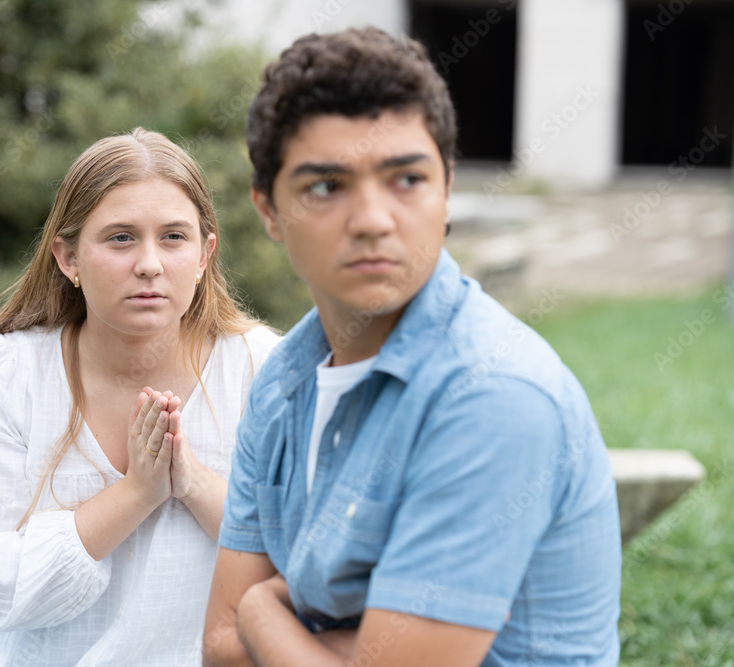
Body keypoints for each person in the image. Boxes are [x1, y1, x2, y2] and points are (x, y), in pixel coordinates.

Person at [203, 27, 621, 666]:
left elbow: (243, 624)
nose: (373, 219)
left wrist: (263, 609)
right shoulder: (285, 378)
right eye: (325, 186)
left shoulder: (494, 394)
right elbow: (219, 649)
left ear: (446, 187)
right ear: (268, 210)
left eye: (406, 179)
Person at [0, 128, 278, 666]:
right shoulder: (7, 368)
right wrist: (135, 494)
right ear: (67, 258)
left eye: (174, 237)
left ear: (206, 254)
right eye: (120, 237)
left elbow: (301, 557)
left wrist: (193, 482)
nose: (150, 264)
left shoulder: (262, 366)